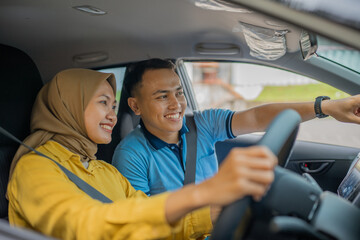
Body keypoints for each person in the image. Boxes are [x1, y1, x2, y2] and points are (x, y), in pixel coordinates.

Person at [7, 68, 277, 240]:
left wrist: (219, 211)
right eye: (103, 103)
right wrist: (203, 192)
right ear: (69, 107)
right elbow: (84, 225)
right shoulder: (34, 167)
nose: (112, 115)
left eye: (113, 106)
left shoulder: (103, 170)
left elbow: (148, 216)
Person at [112, 58, 360, 196]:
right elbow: (142, 222)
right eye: (162, 96)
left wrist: (324, 108)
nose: (176, 104)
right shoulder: (131, 154)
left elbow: (256, 117)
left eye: (179, 92)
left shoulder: (201, 124)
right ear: (135, 106)